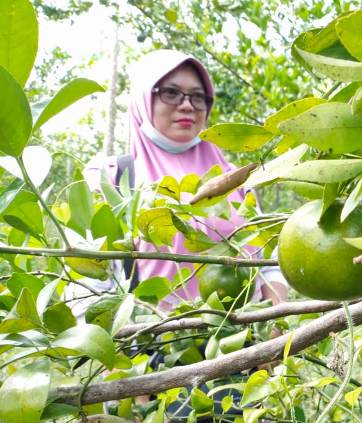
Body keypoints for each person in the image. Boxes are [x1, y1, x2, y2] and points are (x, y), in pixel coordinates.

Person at [84, 49, 287, 310]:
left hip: (242, 338)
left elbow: (269, 263)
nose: (187, 104)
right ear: (144, 99)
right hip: (153, 342)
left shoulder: (236, 178)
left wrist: (274, 325)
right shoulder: (112, 177)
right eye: (171, 92)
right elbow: (92, 282)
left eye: (198, 97)